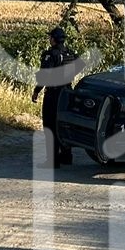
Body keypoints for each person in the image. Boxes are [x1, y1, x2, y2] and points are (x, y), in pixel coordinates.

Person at [32, 26, 80, 167]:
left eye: (50, 37)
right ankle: (66, 156)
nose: (49, 39)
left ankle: (52, 161)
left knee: (50, 126)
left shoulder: (50, 55)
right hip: (67, 92)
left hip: (53, 94)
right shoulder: (70, 53)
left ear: (53, 39)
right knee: (64, 123)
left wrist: (36, 91)